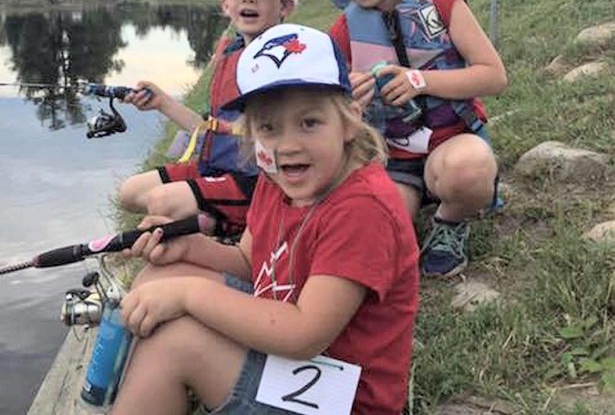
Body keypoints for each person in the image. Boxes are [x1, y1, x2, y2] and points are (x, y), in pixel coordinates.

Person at [111, 23, 420, 415]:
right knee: (160, 277)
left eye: (309, 122)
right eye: (269, 128)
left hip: (343, 396)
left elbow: (303, 334)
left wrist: (189, 295)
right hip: (295, 354)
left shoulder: (364, 208)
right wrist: (188, 247)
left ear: (349, 121)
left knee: (178, 342)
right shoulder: (278, 178)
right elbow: (249, 262)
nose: (288, 145)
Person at [320, 0, 507, 277]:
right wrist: (347, 102)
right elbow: (327, 109)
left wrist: (418, 80)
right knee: (372, 230)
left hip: (452, 144)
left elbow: (493, 76)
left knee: (468, 171)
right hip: (395, 163)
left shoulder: (441, 2)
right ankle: (417, 200)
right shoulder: (342, 33)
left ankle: (451, 220)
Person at [119, 0, 294, 238]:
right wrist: (163, 102)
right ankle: (212, 217)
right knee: (130, 192)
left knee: (162, 203)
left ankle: (225, 225)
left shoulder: (284, 59)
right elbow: (209, 129)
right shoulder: (230, 52)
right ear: (225, 3)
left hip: (257, 180)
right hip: (213, 168)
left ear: (285, 7)